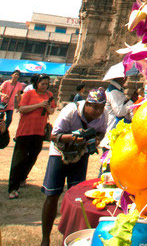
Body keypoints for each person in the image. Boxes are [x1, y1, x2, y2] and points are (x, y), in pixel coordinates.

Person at [39, 89, 107, 246]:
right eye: (95, 107)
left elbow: (102, 133)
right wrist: (73, 137)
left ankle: (74, 237)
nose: (98, 111)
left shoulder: (102, 116)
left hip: (81, 154)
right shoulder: (71, 111)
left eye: (101, 107)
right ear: (87, 104)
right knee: (52, 194)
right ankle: (45, 238)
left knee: (77, 198)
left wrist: (94, 139)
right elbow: (53, 136)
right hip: (60, 153)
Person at [7, 74, 56, 199]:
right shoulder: (29, 94)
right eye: (42, 84)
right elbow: (21, 109)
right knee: (19, 159)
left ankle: (23, 178)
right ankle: (13, 187)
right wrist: (39, 105)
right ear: (37, 83)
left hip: (39, 131)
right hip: (25, 131)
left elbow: (52, 111)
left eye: (46, 84)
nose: (44, 86)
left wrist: (47, 107)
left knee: (32, 157)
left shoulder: (49, 96)